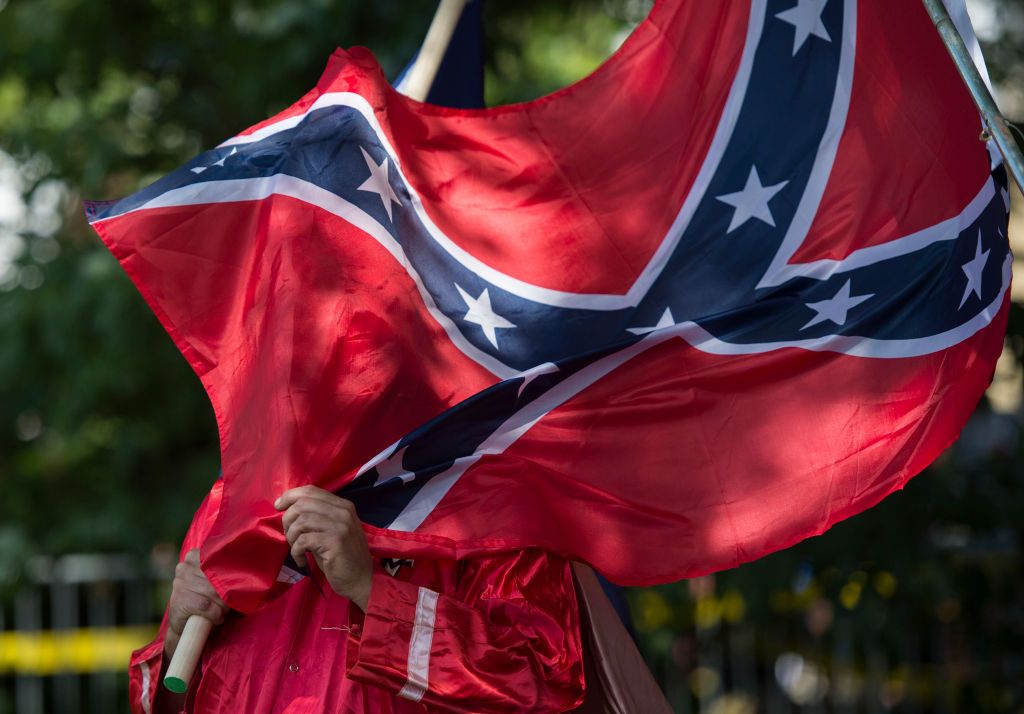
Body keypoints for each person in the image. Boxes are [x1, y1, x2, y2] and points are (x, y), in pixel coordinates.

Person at [130, 482, 586, 713]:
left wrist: (372, 591)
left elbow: (543, 690)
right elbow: (169, 699)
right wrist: (174, 637)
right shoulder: (230, 503)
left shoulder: (492, 499)